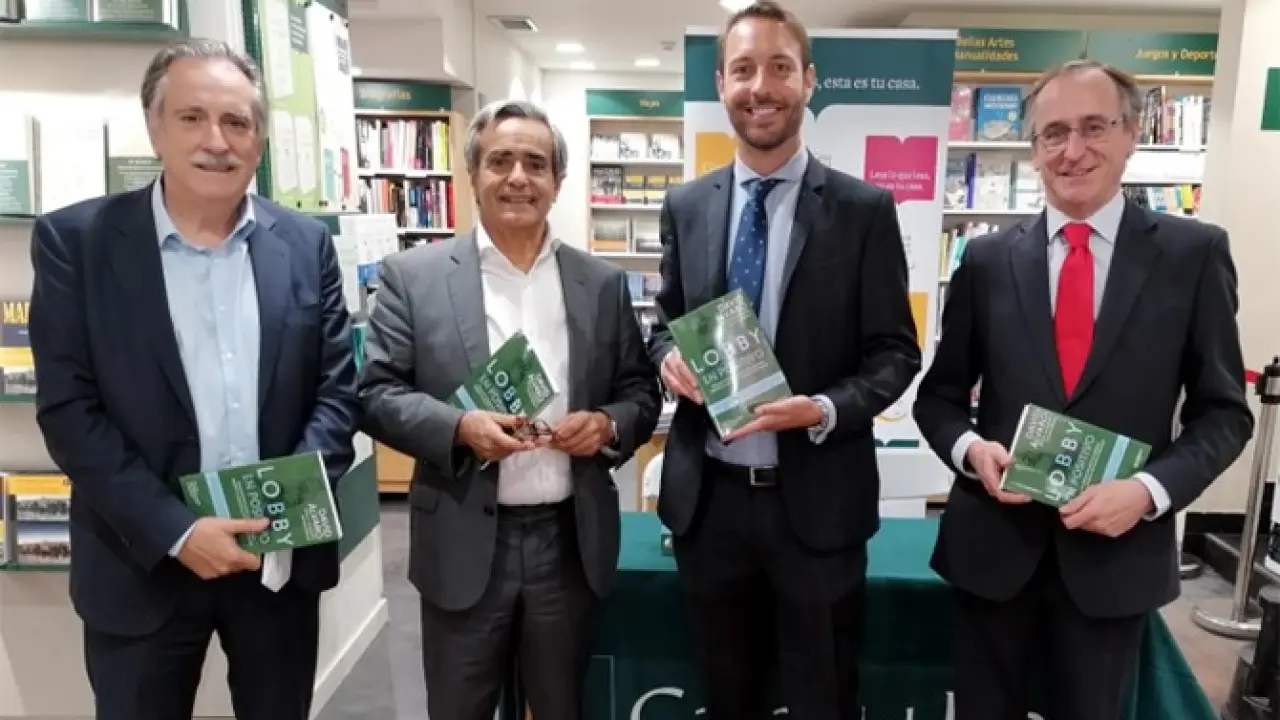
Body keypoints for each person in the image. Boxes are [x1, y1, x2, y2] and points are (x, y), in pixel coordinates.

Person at [25, 39, 361, 720]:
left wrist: (281, 512)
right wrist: (177, 530)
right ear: (155, 128)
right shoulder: (78, 243)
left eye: (237, 121)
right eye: (192, 117)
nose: (217, 140)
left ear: (259, 139)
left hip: (276, 566)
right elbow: (69, 411)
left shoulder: (305, 245)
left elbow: (336, 392)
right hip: (141, 562)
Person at [913, 59, 1253, 720]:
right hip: (993, 555)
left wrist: (1148, 492)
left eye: (1094, 127)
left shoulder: (1193, 255)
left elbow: (1223, 415)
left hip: (1114, 562)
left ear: (1131, 134)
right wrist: (971, 452)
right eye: (1054, 133)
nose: (1073, 150)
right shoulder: (986, 260)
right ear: (1034, 149)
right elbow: (940, 397)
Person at [646, 3, 922, 717]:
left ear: (809, 80)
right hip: (709, 505)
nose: (760, 87)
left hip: (818, 505)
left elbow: (895, 352)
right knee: (726, 695)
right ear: (721, 84)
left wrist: (824, 409)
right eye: (742, 69)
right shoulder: (686, 206)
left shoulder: (864, 210)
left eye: (779, 67)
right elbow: (664, 325)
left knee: (823, 697)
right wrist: (669, 359)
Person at [358, 98, 661, 720]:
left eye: (535, 163)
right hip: (463, 539)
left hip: (568, 543)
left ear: (557, 181)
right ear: (473, 174)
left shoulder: (601, 284)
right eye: (500, 161)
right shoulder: (413, 277)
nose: (518, 177)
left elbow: (640, 392)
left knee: (561, 707)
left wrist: (607, 424)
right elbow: (376, 394)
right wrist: (458, 427)